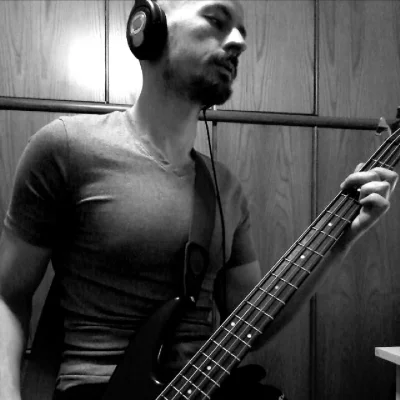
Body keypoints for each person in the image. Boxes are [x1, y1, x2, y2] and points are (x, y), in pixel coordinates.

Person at [0, 1, 397, 399]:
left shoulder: (224, 188)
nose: (238, 41)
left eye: (241, 31)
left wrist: (342, 239)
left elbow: (253, 328)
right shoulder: (67, 147)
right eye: (216, 20)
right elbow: (8, 295)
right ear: (147, 27)